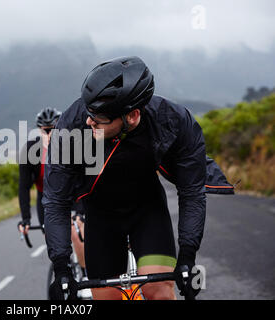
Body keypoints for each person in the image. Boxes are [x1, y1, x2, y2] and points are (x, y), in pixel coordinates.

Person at [43, 56, 234, 300]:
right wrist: (61, 266)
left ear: (131, 116)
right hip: (101, 216)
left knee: (159, 292)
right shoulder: (72, 127)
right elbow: (56, 201)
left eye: (99, 118)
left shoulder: (173, 121)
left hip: (148, 210)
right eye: (88, 111)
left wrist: (188, 255)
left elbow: (192, 192)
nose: (89, 120)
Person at [17, 107, 90, 299]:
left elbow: (83, 179)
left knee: (76, 231)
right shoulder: (30, 150)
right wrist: (25, 219)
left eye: (54, 129)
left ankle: (85, 274)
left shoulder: (71, 146)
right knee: (57, 240)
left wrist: (80, 211)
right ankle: (64, 272)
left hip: (73, 195)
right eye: (46, 130)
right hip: (47, 199)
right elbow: (24, 187)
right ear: (40, 130)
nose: (50, 134)